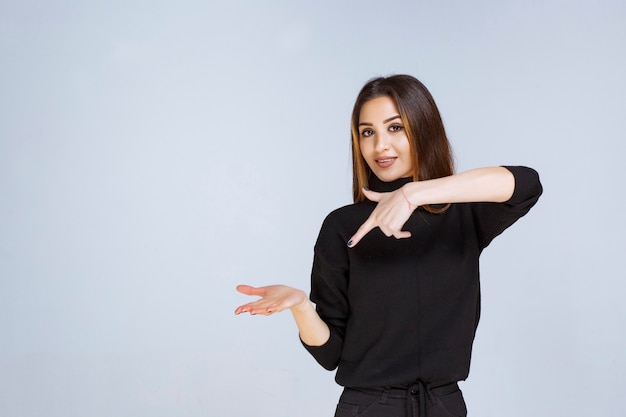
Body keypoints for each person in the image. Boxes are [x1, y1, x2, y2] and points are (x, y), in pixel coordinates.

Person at [234, 74, 542, 417]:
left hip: (444, 405)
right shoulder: (343, 226)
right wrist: (301, 307)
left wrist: (414, 193)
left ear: (423, 129)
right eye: (368, 132)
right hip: (369, 407)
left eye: (395, 128)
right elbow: (330, 354)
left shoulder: (463, 215)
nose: (380, 145)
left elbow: (527, 183)